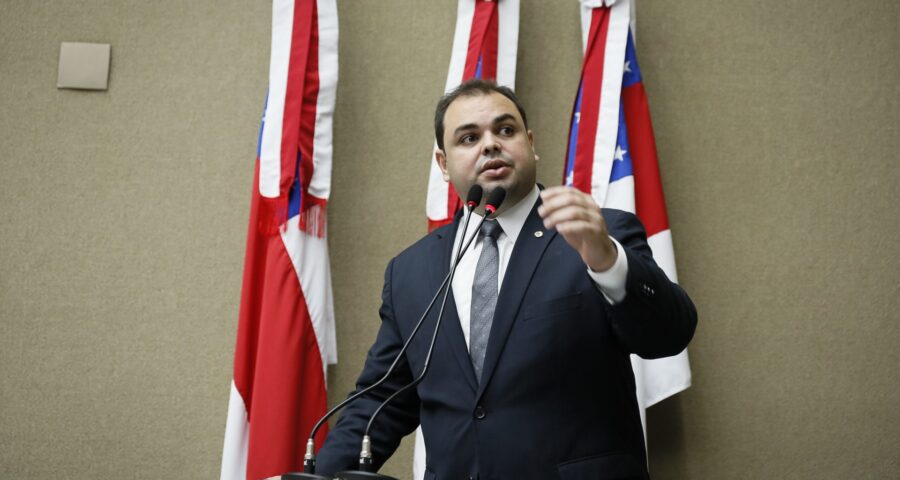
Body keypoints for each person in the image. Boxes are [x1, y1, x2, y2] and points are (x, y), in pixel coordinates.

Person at [315, 79, 697, 480]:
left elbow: (670, 334)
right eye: (468, 138)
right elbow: (382, 400)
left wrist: (606, 260)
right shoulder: (412, 271)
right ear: (444, 165)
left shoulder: (597, 234)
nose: (490, 144)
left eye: (505, 130)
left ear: (530, 143)